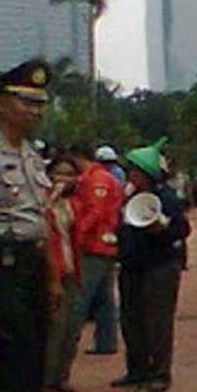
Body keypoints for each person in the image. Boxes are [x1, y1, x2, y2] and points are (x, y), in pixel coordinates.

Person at [0, 59, 59, 392]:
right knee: (8, 365)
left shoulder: (33, 155)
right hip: (1, 269)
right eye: (25, 102)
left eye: (40, 103)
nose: (35, 111)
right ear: (1, 104)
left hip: (32, 268)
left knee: (34, 365)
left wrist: (52, 277)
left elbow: (42, 223)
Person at [112, 138, 189, 392]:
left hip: (160, 266)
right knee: (131, 319)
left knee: (158, 321)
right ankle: (137, 368)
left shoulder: (167, 197)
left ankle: (159, 371)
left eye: (134, 170)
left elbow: (182, 229)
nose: (130, 174)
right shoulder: (129, 196)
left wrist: (162, 229)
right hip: (132, 266)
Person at [69, 144, 122, 357]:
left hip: (94, 244)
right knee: (104, 297)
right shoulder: (104, 178)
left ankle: (69, 343)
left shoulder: (96, 180)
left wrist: (77, 237)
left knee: (82, 296)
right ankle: (106, 341)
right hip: (105, 243)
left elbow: (94, 212)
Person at [43, 154, 83, 392]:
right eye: (60, 173)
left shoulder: (73, 204)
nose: (64, 179)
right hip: (53, 270)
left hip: (71, 268)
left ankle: (62, 375)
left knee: (72, 325)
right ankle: (45, 380)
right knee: (54, 326)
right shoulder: (45, 203)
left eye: (70, 174)